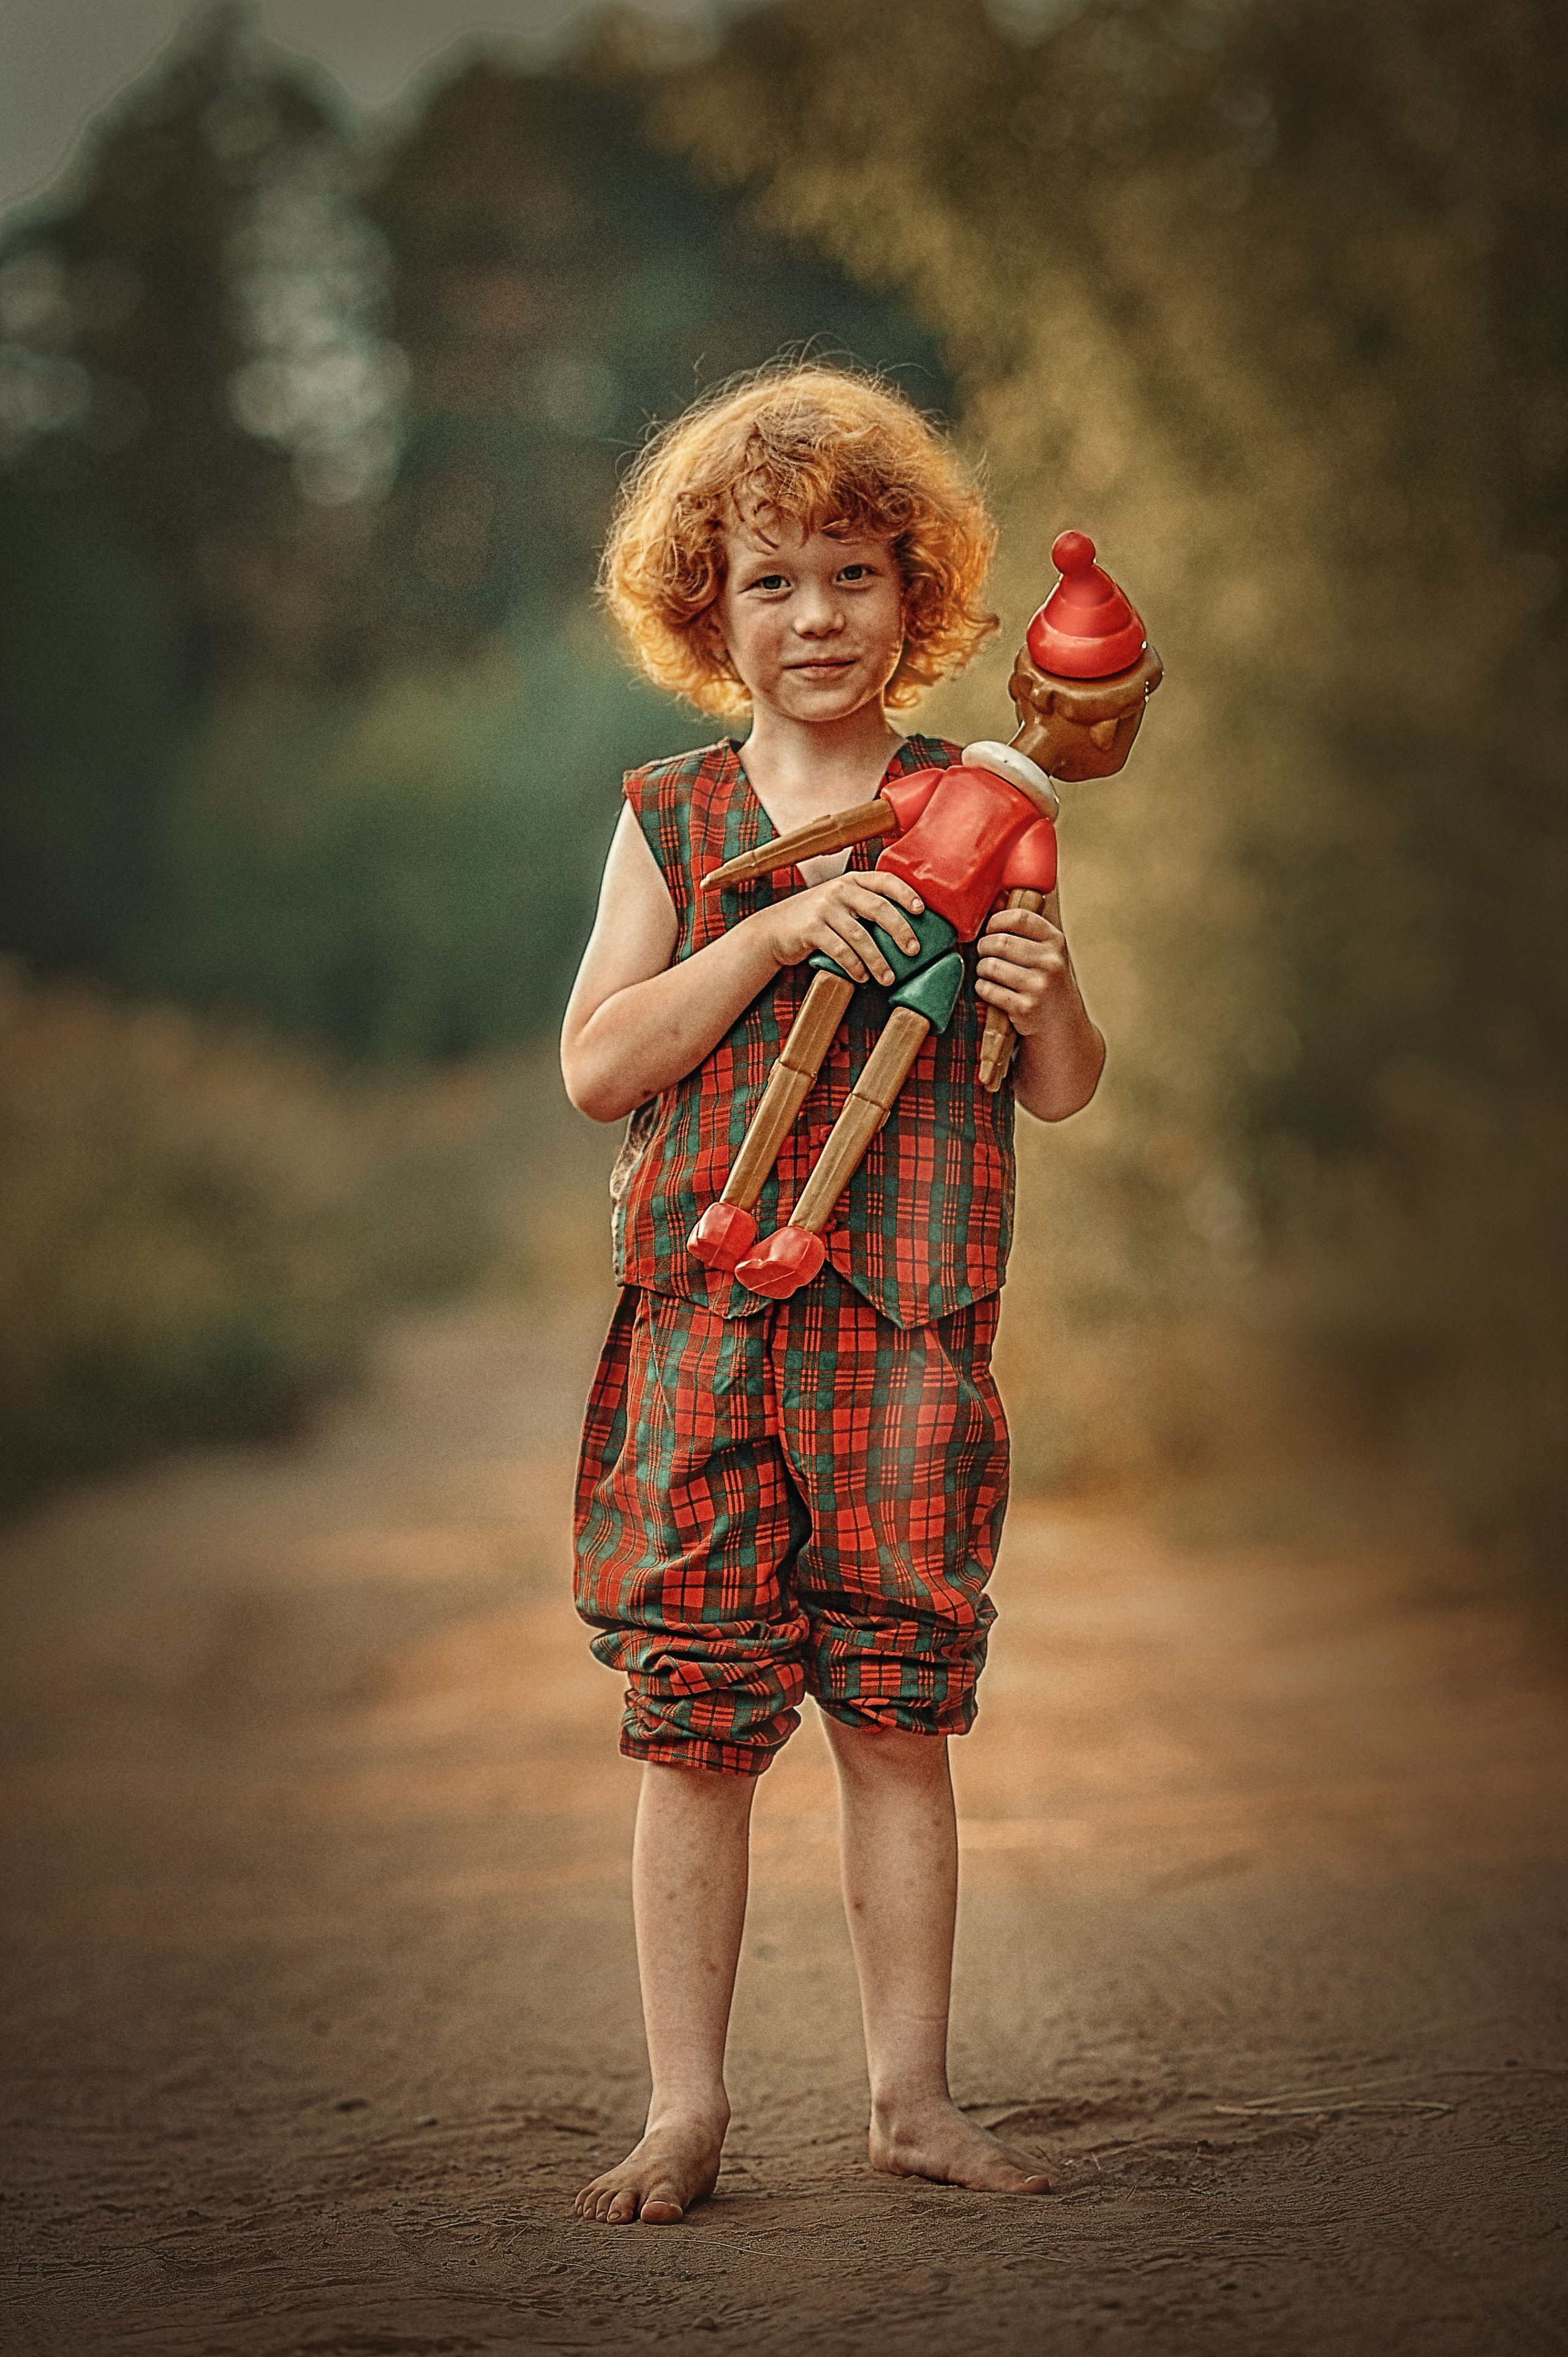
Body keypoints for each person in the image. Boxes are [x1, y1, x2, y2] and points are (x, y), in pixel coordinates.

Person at [559, 363, 1106, 2225]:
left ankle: (911, 2099)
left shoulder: (983, 802)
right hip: (704, 1333)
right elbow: (598, 1065)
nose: (816, 617)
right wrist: (775, 927)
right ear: (706, 608)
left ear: (913, 594)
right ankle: (684, 2112)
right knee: (696, 1722)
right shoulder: (673, 816)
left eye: (855, 576)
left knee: (896, 1712)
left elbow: (1061, 1087)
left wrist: (1048, 993)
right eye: (773, 581)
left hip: (908, 1331)